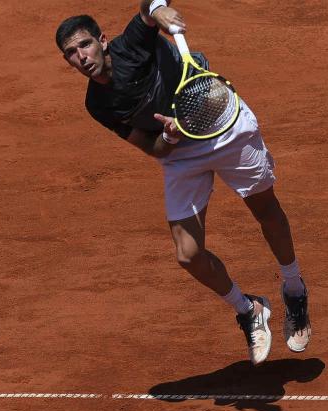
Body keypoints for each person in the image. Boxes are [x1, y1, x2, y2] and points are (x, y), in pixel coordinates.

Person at [55, 0, 311, 365]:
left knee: (265, 210)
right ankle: (249, 309)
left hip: (223, 125)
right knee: (188, 255)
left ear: (103, 40)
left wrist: (158, 13)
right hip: (181, 153)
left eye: (85, 45)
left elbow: (149, 6)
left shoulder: (132, 44)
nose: (80, 56)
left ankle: (295, 288)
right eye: (70, 53)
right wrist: (171, 138)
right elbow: (152, 147)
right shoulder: (98, 104)